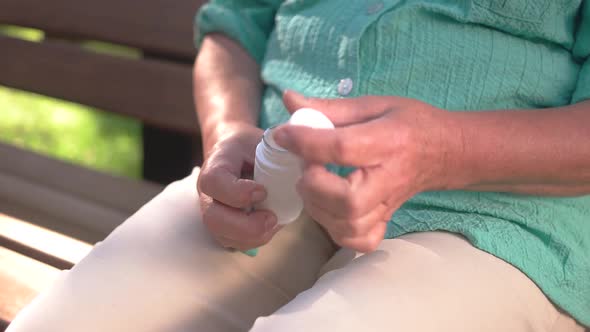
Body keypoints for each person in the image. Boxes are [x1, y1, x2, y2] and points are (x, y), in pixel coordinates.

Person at [7, 0, 590, 331]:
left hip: (500, 227)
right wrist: (228, 133)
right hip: (268, 194)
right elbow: (234, 25)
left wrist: (444, 151)